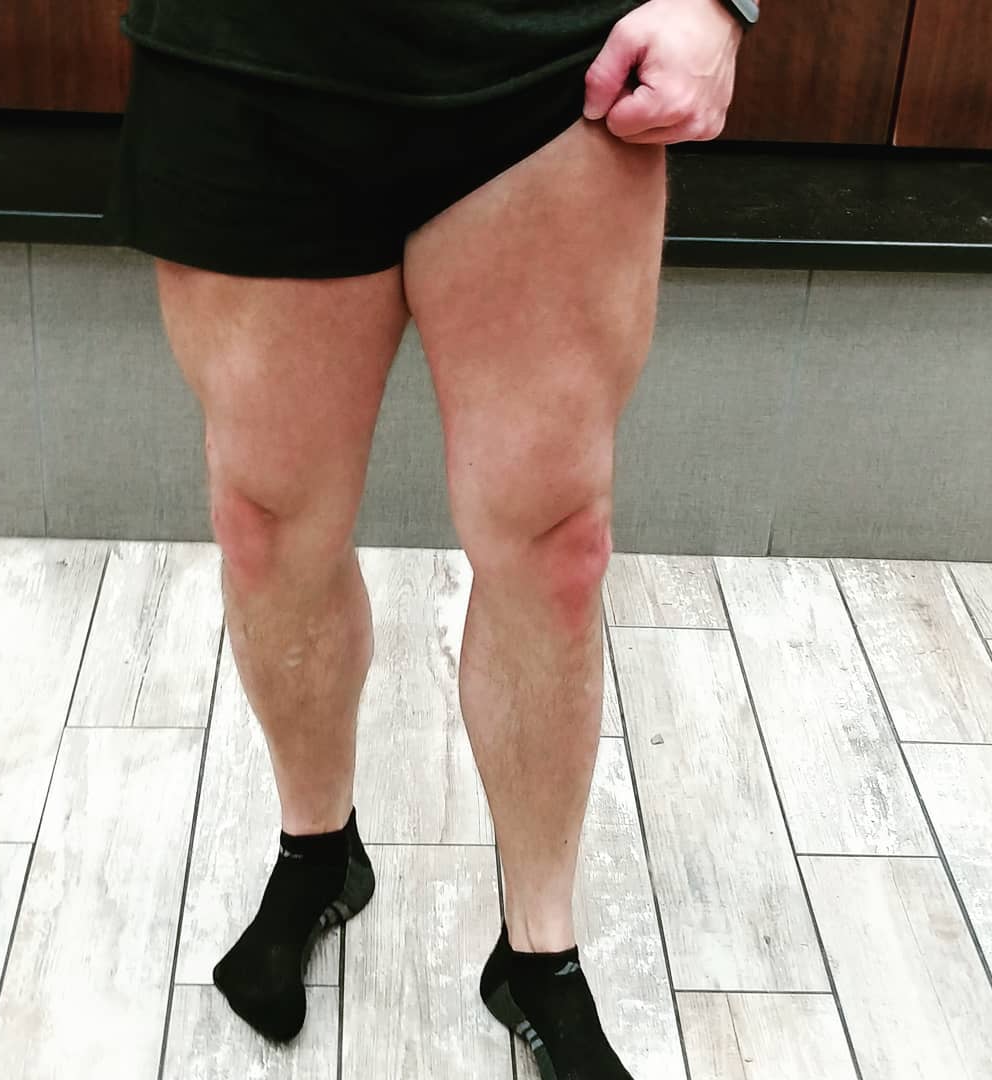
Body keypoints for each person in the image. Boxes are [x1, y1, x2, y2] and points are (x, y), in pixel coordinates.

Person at [112, 0, 749, 1074]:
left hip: (552, 62)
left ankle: (539, 951)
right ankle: (317, 853)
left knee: (556, 550)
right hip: (246, 59)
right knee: (264, 523)